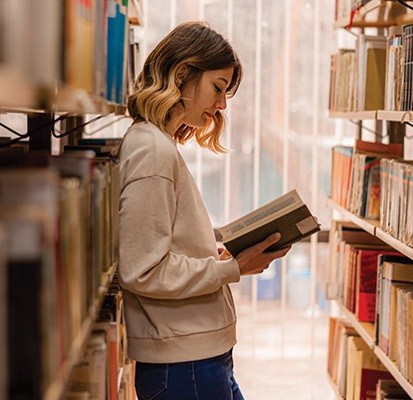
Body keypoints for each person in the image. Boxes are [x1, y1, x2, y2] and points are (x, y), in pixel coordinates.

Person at [117, 21, 290, 400]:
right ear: (182, 75)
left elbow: (163, 242)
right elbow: (143, 269)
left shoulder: (158, 144)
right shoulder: (152, 151)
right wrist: (233, 268)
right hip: (185, 365)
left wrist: (214, 247)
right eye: (218, 87)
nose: (222, 104)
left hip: (198, 358)